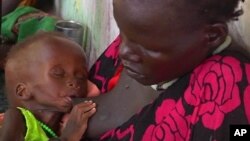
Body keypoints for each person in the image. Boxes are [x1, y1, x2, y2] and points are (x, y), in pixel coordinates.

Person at [79, 0, 250, 140]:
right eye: (122, 33)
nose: (123, 51)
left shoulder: (228, 85)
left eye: (149, 48)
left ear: (211, 36)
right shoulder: (142, 34)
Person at [0, 32, 96, 141]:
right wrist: (68, 137)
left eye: (81, 76)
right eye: (58, 74)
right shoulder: (15, 117)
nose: (73, 82)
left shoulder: (64, 124)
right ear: (23, 91)